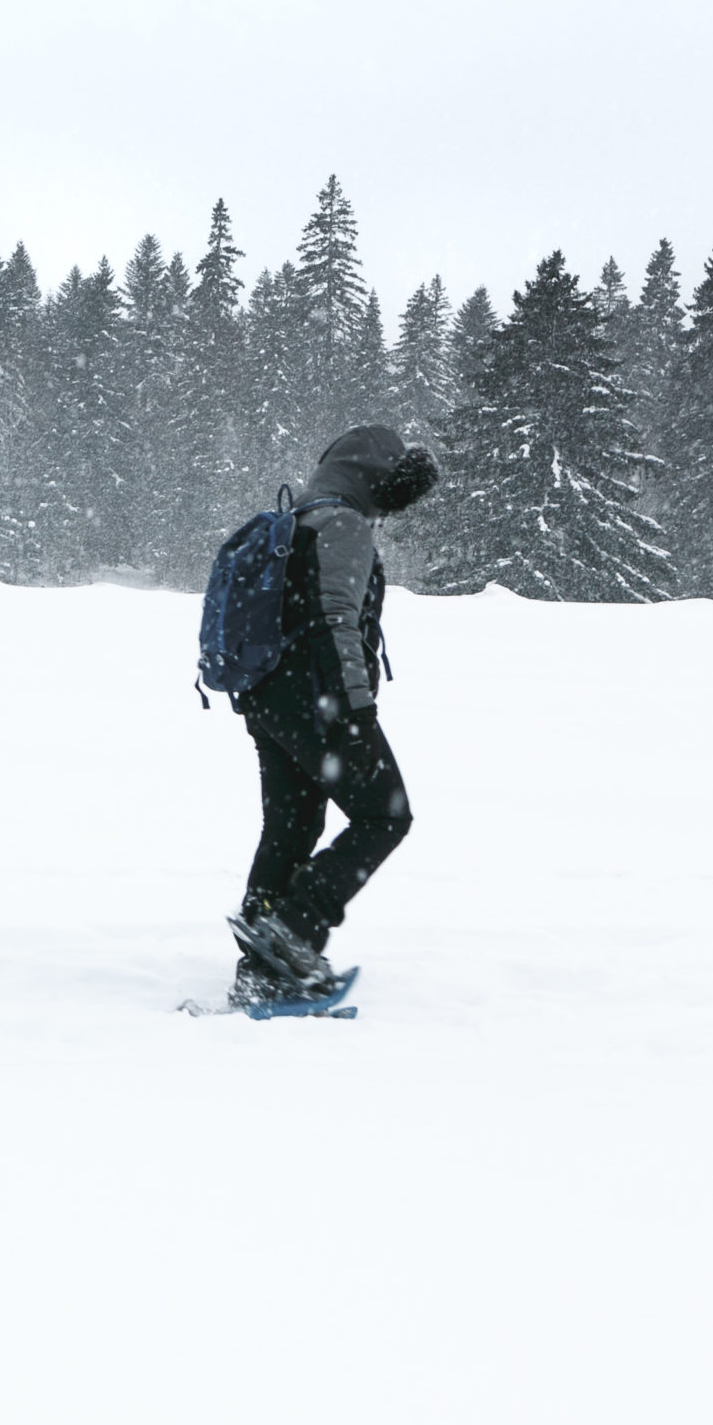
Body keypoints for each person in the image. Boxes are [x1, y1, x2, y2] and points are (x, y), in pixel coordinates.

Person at [225, 424, 440, 1010]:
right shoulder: (342, 524)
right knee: (384, 815)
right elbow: (336, 617)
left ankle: (262, 970)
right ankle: (294, 930)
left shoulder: (296, 519)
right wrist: (356, 707)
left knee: (291, 828)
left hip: (267, 698)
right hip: (318, 695)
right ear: (375, 478)